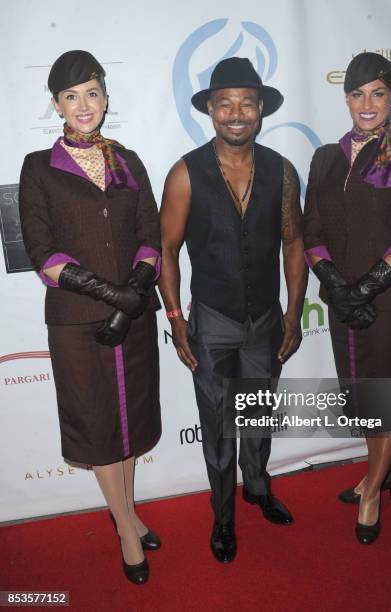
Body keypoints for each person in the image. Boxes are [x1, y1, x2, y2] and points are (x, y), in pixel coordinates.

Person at [19, 50, 162, 584]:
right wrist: (113, 295)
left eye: (93, 92)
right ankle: (126, 527)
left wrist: (135, 293)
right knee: (101, 424)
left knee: (129, 421)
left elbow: (151, 235)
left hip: (135, 316)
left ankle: (126, 509)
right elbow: (43, 253)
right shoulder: (38, 167)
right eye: (72, 96)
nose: (84, 105)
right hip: (79, 321)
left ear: (106, 98)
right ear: (56, 103)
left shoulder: (128, 159)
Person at [159, 57, 307, 563]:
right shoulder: (185, 173)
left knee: (259, 414)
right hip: (214, 324)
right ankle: (223, 516)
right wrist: (177, 321)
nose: (236, 113)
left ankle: (258, 487)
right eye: (226, 104)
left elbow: (294, 244)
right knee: (220, 427)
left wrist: (293, 313)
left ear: (261, 109)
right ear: (211, 111)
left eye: (246, 103)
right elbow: (166, 252)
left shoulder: (282, 171)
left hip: (266, 320)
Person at [303, 52, 391, 544]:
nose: (366, 103)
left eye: (377, 92)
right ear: (346, 98)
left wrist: (365, 288)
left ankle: (374, 490)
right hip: (343, 304)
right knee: (362, 397)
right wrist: (336, 285)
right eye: (357, 93)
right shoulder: (326, 157)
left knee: (388, 400)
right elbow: (310, 228)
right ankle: (377, 470)